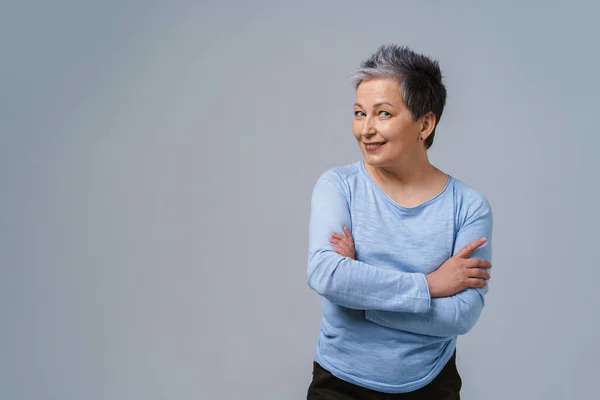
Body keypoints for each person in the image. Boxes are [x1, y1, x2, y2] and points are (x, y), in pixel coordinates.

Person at [305, 45, 493, 399]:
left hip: (432, 384)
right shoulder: (338, 186)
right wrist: (430, 285)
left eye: (384, 114)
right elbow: (326, 275)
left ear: (424, 123)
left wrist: (359, 297)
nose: (366, 129)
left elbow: (461, 315)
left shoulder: (468, 207)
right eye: (359, 113)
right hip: (339, 382)